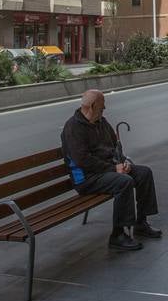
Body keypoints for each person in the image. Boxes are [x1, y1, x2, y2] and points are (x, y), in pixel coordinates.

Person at [60, 89, 161, 251]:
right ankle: (118, 234)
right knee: (124, 182)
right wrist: (114, 168)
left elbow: (114, 146)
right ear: (91, 107)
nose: (105, 109)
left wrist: (123, 162)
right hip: (86, 178)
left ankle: (141, 223)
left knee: (144, 173)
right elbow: (82, 160)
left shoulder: (101, 122)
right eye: (102, 106)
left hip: (107, 170)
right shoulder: (73, 128)